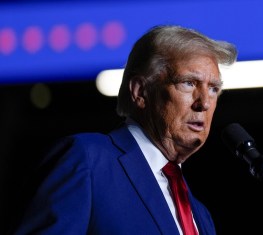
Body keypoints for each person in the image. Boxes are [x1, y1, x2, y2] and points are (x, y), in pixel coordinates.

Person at [12, 24, 237, 235]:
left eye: (214, 89)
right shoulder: (88, 161)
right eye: (188, 83)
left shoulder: (201, 215)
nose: (204, 103)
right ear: (140, 91)